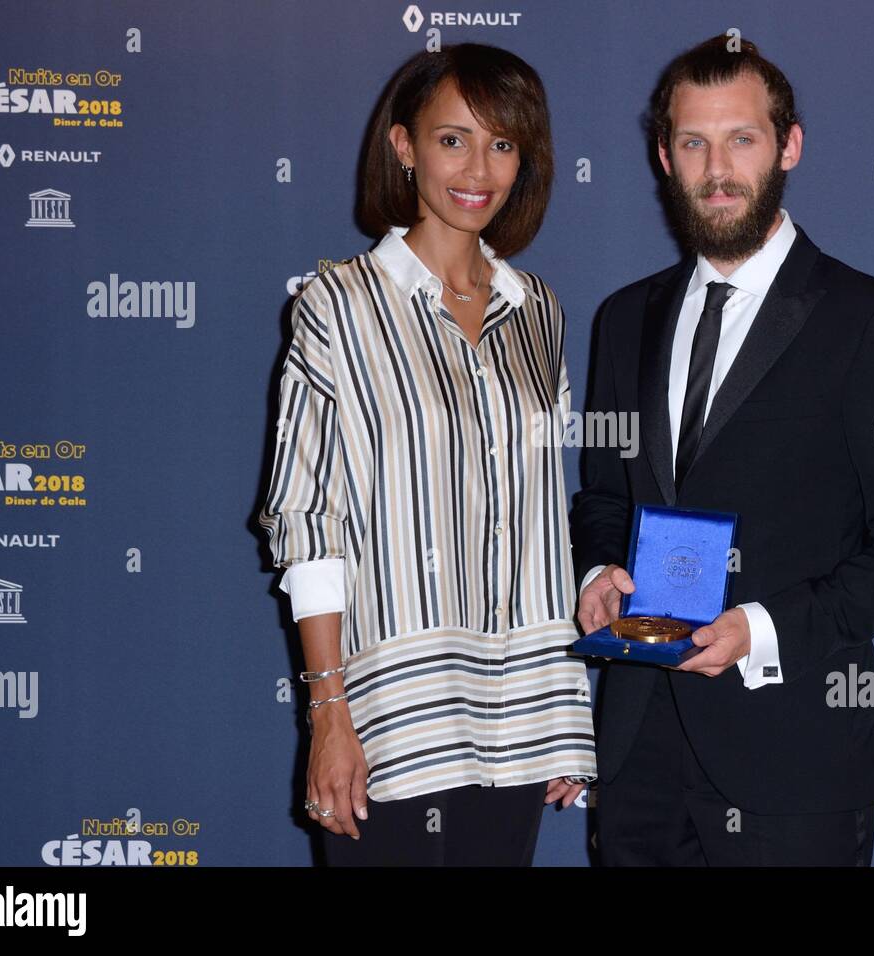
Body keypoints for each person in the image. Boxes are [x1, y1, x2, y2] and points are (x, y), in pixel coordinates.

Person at [571, 35, 874, 866]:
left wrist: (761, 628)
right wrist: (599, 571)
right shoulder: (623, 319)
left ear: (789, 145)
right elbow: (604, 495)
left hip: (796, 762)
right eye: (693, 142)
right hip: (637, 754)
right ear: (663, 156)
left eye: (741, 138)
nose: (718, 168)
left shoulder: (871, 322)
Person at [258, 43, 595, 867]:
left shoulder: (538, 308)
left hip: (516, 716)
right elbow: (308, 519)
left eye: (504, 143)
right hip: (392, 718)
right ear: (403, 146)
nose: (479, 167)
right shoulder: (336, 304)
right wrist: (329, 715)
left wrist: (561, 710)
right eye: (454, 139)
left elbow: (540, 511)